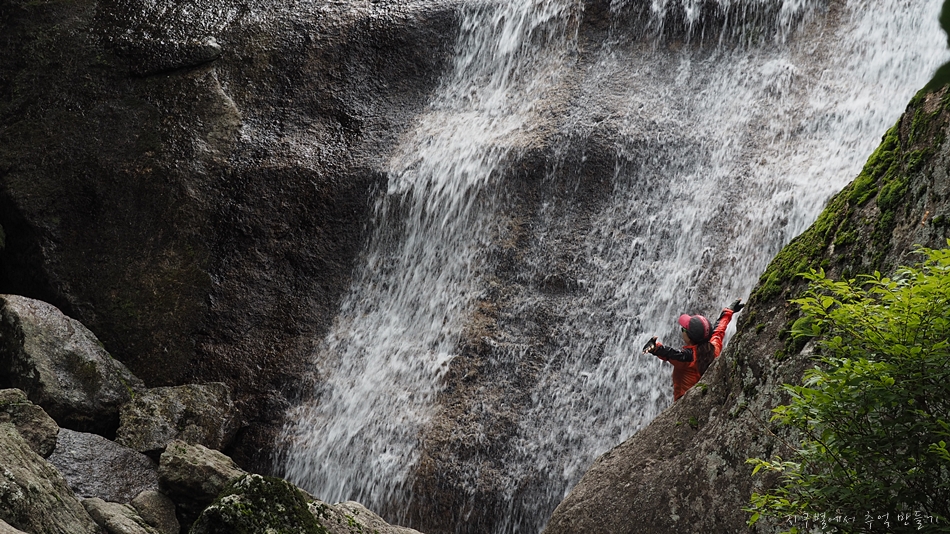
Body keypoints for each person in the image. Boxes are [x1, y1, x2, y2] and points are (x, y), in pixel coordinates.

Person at [642, 299, 744, 401]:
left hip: (686, 403)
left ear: (690, 337)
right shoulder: (714, 348)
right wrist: (728, 311)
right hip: (710, 399)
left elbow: (671, 353)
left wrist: (655, 348)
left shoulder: (688, 358)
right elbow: (719, 330)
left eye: (683, 329)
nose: (682, 330)